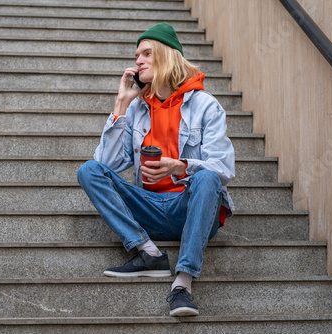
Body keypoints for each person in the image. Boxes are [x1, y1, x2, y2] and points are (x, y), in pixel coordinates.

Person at [77, 22, 235, 317]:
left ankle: (182, 284)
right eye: (137, 55)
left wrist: (180, 166)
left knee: (208, 178)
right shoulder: (137, 108)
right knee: (88, 170)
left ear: (167, 57)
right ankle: (148, 253)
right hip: (148, 206)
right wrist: (121, 104)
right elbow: (105, 165)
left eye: (147, 54)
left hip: (189, 207)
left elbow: (223, 168)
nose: (138, 61)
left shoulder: (205, 106)